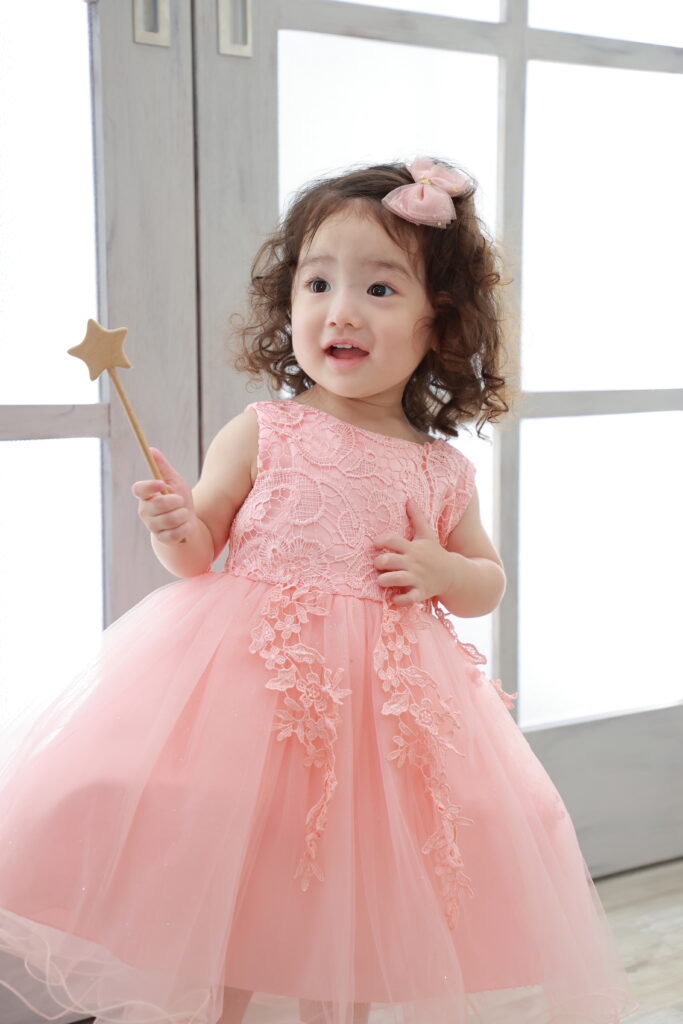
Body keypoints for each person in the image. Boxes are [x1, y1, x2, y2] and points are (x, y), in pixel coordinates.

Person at [0, 157, 640, 1024]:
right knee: (240, 861)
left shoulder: (438, 469)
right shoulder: (265, 429)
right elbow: (199, 553)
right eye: (317, 283)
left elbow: (484, 580)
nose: (339, 310)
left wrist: (446, 572)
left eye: (378, 289)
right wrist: (175, 524)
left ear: (439, 320)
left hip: (384, 715)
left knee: (353, 880)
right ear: (288, 304)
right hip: (252, 696)